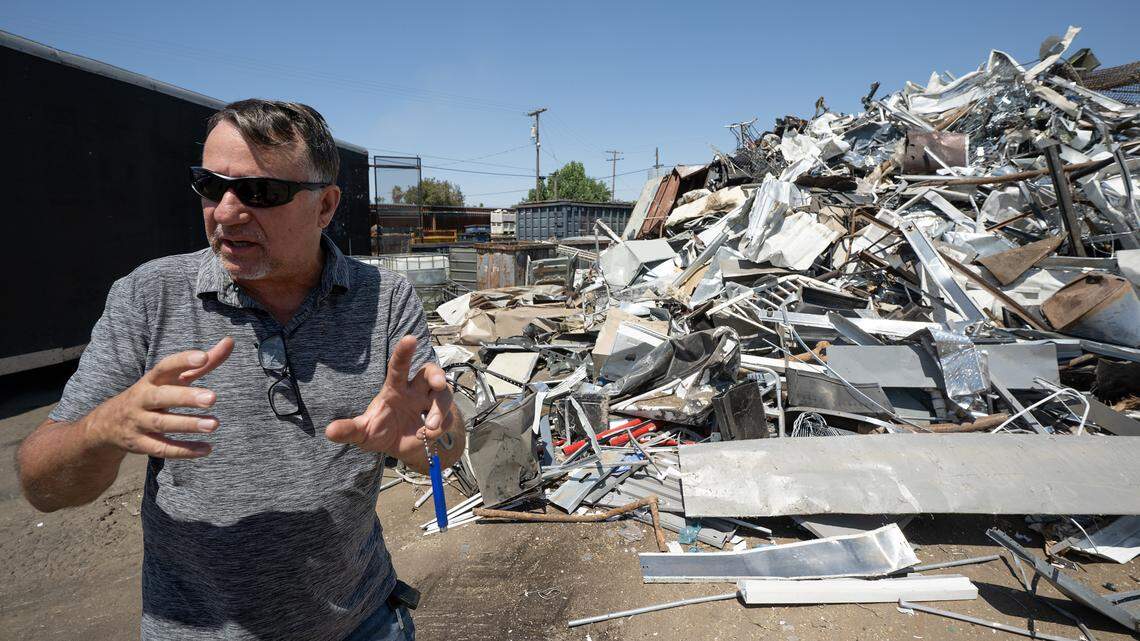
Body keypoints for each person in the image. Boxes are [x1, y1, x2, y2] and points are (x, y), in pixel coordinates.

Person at [16, 99, 462, 641]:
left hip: (363, 623)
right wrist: (99, 430)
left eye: (260, 193)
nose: (225, 213)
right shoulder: (149, 297)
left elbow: (445, 447)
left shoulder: (385, 301)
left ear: (325, 206)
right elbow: (41, 487)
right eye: (210, 185)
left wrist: (432, 442)